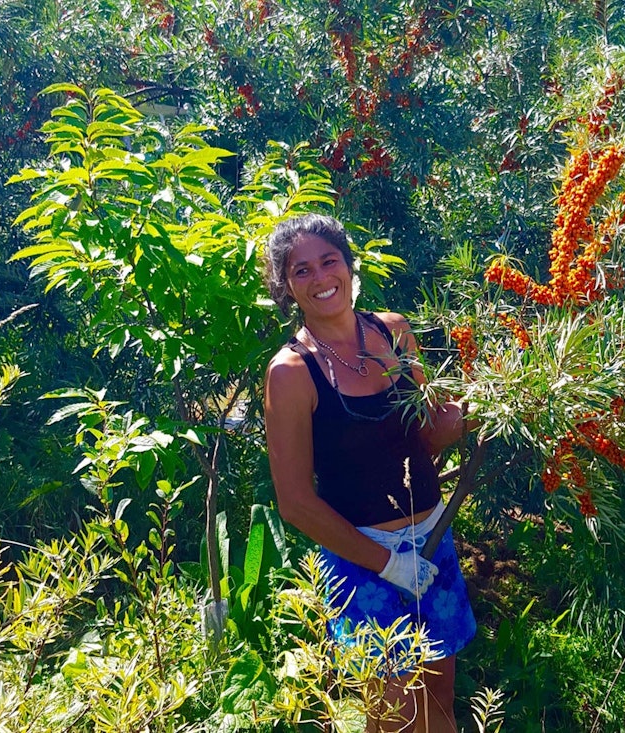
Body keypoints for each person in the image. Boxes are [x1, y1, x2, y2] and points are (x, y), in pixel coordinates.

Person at [262, 214, 476, 732]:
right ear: (287, 288)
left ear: (349, 264)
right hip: (364, 564)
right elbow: (294, 501)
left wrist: (481, 407)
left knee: (441, 698)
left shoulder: (393, 332)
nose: (320, 278)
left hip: (433, 540)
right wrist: (388, 565)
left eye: (328, 261)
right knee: (398, 718)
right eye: (302, 271)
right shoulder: (291, 373)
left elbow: (426, 434)